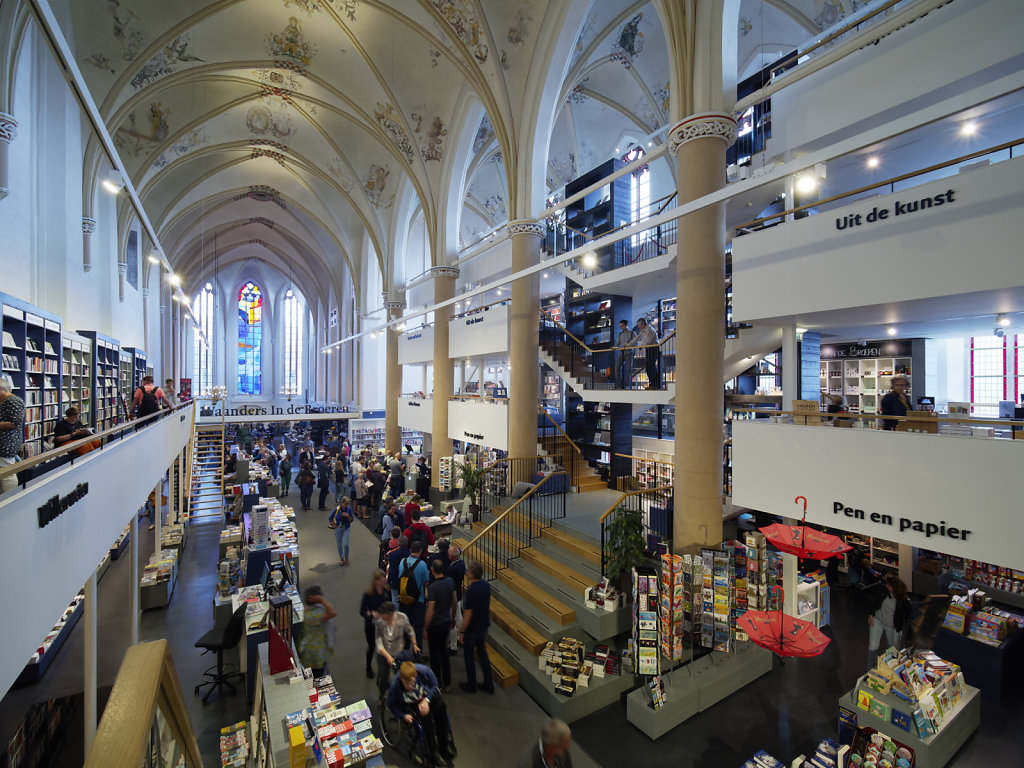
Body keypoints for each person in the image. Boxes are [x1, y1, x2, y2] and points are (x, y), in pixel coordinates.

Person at [386, 661, 454, 767]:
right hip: (411, 704)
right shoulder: (395, 685)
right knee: (425, 717)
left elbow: (434, 684)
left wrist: (426, 700)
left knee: (441, 706)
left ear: (415, 675)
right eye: (406, 683)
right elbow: (391, 705)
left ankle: (444, 745)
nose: (410, 686)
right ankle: (433, 753)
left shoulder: (424, 671)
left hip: (425, 696)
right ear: (401, 679)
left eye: (412, 683)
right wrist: (403, 716)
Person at [459, 561, 494, 694]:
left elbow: (468, 614)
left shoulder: (471, 590)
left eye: (468, 571)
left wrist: (462, 631)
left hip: (472, 629)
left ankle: (471, 684)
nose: (466, 572)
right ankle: (488, 684)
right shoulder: (486, 585)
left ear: (472, 575)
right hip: (484, 625)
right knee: (483, 655)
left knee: (469, 657)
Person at [374, 602, 419, 698]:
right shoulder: (379, 622)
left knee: (400, 676)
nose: (382, 617)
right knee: (383, 678)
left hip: (398, 653)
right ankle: (382, 697)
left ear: (391, 614)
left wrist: (414, 644)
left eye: (383, 615)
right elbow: (378, 642)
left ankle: (400, 697)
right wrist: (388, 657)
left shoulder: (402, 618)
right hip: (383, 654)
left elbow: (410, 631)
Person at [867, 575, 912, 670]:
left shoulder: (904, 601)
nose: (886, 586)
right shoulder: (883, 591)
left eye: (889, 585)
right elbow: (875, 601)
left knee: (892, 649)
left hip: (892, 626)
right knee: (873, 645)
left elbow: (908, 617)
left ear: (894, 588)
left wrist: (901, 630)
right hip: (877, 620)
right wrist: (871, 614)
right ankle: (870, 669)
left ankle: (889, 670)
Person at [424, 559, 456, 691]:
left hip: (435, 625)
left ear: (432, 570)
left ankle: (436, 682)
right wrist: (453, 617)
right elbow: (454, 601)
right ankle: (447, 682)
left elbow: (430, 610)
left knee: (434, 653)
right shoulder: (450, 582)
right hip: (446, 622)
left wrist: (426, 627)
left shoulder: (432, 588)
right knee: (443, 652)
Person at [297, 585, 337, 677]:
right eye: (320, 595)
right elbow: (332, 613)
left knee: (320, 671)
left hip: (315, 648)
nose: (322, 595)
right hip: (315, 653)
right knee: (318, 676)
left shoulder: (309, 610)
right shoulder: (314, 615)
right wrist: (322, 601)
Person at [360, 569, 391, 678]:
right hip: (371, 625)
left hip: (383, 625)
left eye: (384, 580)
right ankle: (368, 667)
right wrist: (370, 613)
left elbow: (390, 607)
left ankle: (382, 671)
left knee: (383, 646)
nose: (383, 582)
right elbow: (362, 610)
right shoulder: (368, 594)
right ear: (376, 581)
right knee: (372, 646)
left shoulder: (386, 593)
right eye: (381, 580)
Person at [400, 541, 431, 650]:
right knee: (417, 628)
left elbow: (400, 577)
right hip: (419, 600)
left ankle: (405, 650)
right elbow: (426, 582)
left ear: (410, 550)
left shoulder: (402, 562)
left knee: (406, 625)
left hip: (405, 599)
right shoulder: (422, 564)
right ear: (420, 551)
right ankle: (417, 651)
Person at [0, 377, 25, 493]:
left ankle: (10, 499)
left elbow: (15, 423)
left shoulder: (13, 401)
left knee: (7, 473)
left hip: (5, 445)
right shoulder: (6, 402)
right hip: (6, 444)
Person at [629, 317, 660, 389]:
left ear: (642, 324)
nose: (638, 327)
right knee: (649, 367)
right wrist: (629, 344)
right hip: (648, 349)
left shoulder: (649, 329)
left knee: (651, 367)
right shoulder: (643, 330)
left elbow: (647, 341)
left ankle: (655, 384)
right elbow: (637, 338)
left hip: (653, 348)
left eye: (639, 325)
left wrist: (640, 346)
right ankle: (652, 383)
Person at [445, 547, 466, 652]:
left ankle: (453, 646)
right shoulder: (462, 563)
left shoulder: (451, 569)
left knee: (452, 620)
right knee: (458, 616)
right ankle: (459, 637)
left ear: (451, 556)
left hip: (451, 596)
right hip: (458, 593)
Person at [328, 497, 354, 566]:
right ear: (342, 503)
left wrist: (348, 516)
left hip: (346, 528)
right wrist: (334, 526)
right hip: (338, 529)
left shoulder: (348, 509)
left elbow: (351, 520)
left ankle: (346, 558)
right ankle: (342, 559)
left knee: (346, 544)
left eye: (348, 503)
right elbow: (330, 518)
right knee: (339, 545)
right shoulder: (337, 509)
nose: (347, 504)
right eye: (346, 503)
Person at [387, 535, 411, 605]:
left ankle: (396, 614)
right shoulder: (409, 554)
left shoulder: (393, 554)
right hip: (406, 579)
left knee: (395, 599)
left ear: (399, 543)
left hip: (394, 578)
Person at [616, 319, 635, 388]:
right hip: (621, 352)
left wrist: (629, 345)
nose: (621, 328)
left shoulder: (632, 333)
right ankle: (619, 385)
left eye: (622, 326)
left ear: (626, 325)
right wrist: (614, 347)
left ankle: (627, 385)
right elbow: (618, 343)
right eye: (620, 326)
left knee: (628, 369)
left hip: (629, 352)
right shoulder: (620, 334)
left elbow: (635, 343)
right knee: (617, 368)